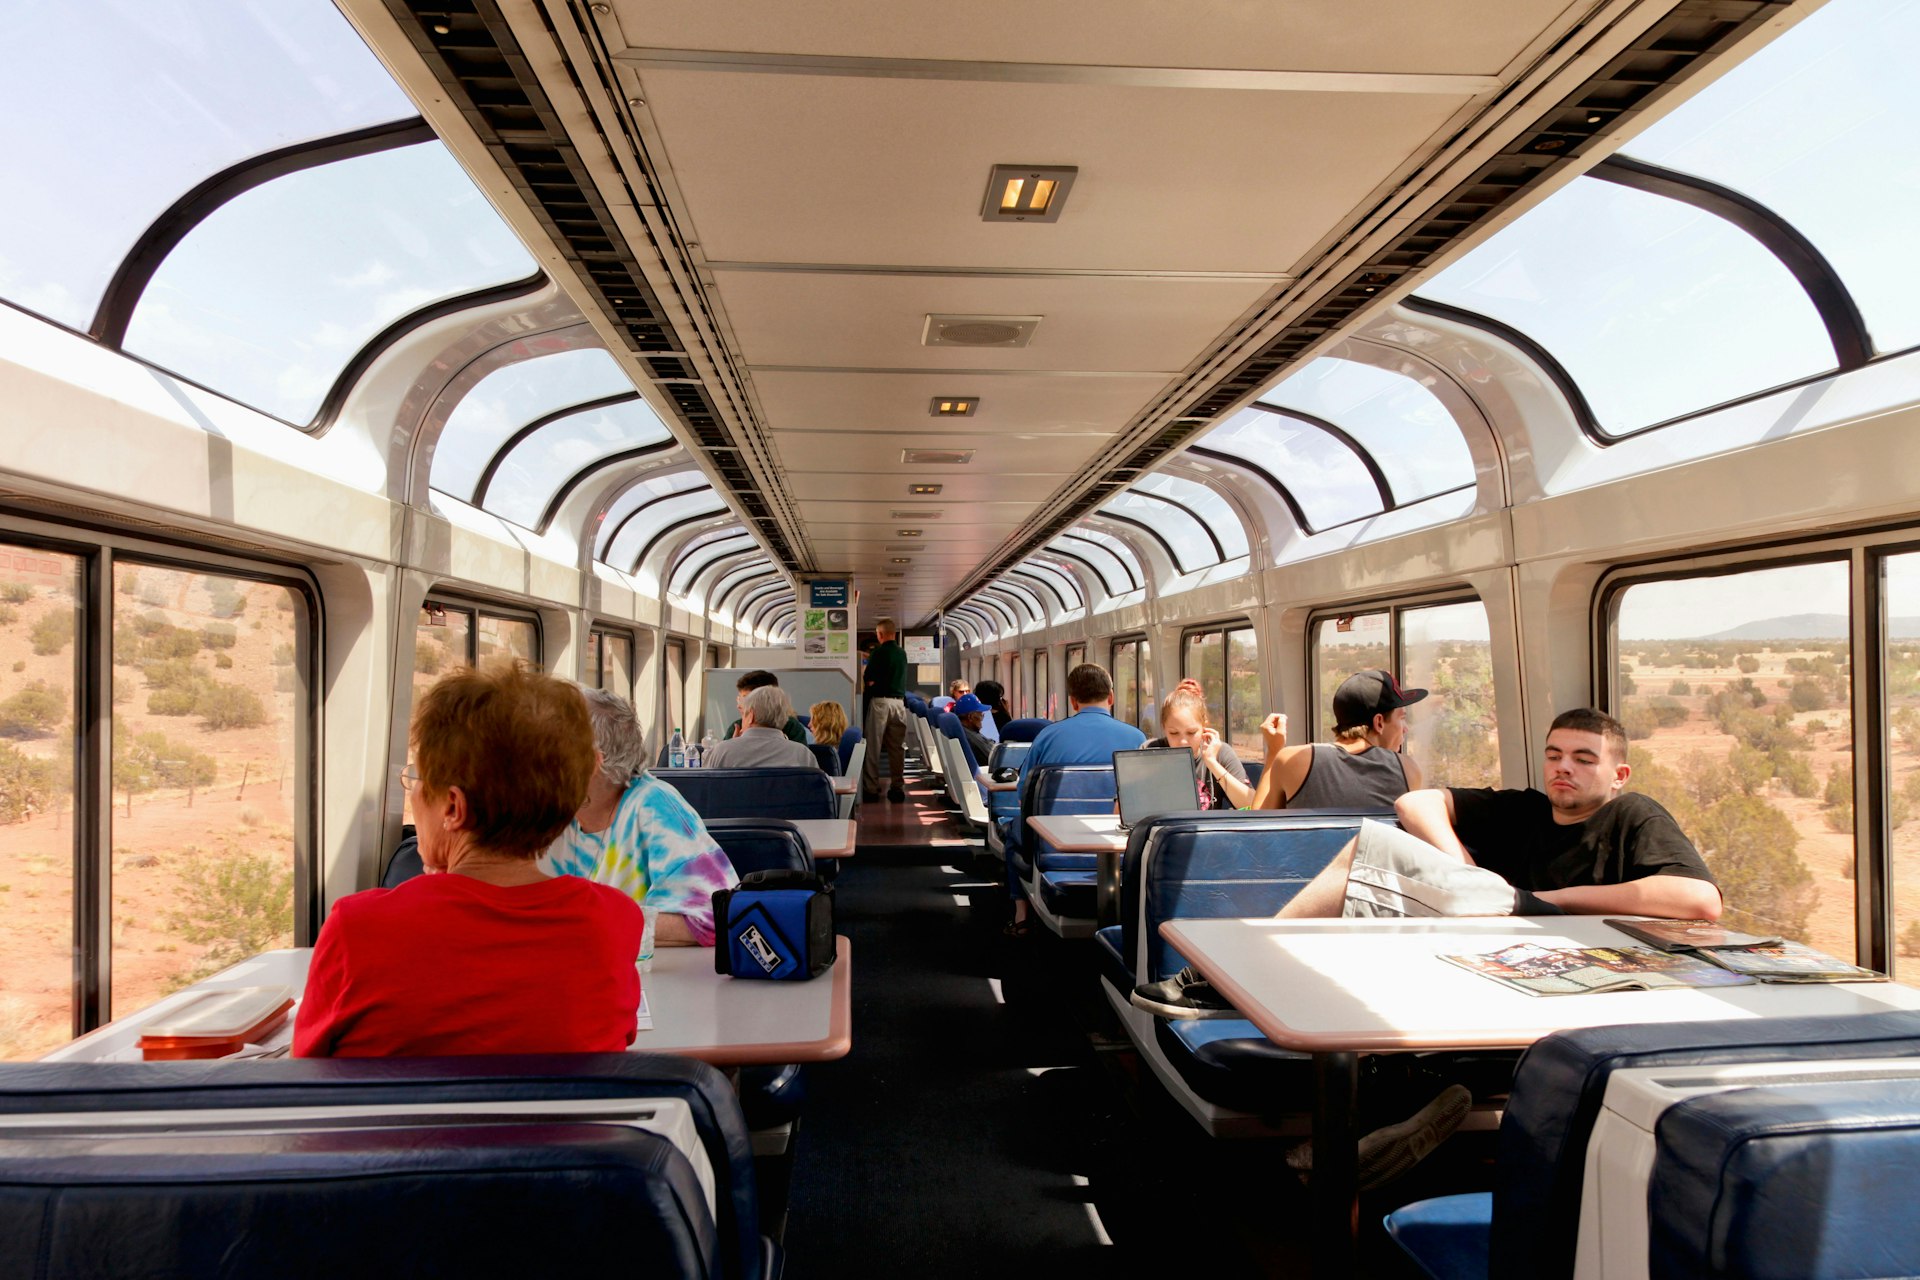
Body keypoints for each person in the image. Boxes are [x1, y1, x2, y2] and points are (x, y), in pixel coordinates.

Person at [1137, 707, 1723, 1188]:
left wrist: (1549, 900)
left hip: (1567, 963)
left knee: (1371, 852)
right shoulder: (1523, 809)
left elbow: (1699, 900)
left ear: (1618, 776)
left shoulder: (1634, 818)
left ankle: (1232, 975)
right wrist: (1463, 866)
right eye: (1554, 755)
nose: (1562, 769)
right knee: (1385, 859)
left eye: (1582, 759)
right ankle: (1399, 1096)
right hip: (1499, 961)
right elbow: (1415, 805)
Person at [294, 661, 641, 1057]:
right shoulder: (614, 922)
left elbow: (305, 1076)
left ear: (454, 807)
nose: (412, 793)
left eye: (417, 779)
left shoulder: (357, 930)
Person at [541, 687, 739, 946]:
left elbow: (719, 918)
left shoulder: (654, 808)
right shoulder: (544, 813)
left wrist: (588, 923)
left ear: (589, 763)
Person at [1006, 663, 1147, 934]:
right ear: (1111, 697)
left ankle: (1021, 914)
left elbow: (1024, 793)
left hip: (1054, 850)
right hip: (1123, 850)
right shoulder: (1137, 738)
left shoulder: (1048, 736)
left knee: (1013, 830)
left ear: (1073, 701)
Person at [1253, 668, 1426, 809]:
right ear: (1379, 722)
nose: (1405, 728)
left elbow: (1257, 828)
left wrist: (1274, 751)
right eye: (1402, 718)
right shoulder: (1408, 771)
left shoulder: (1294, 760)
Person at [1147, 678, 1252, 809]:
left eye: (1191, 733)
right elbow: (1122, 810)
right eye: (1174, 733)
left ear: (1204, 727)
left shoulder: (1220, 753)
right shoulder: (1150, 752)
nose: (1183, 742)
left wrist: (1212, 763)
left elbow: (1251, 804)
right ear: (1163, 727)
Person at [704, 684, 822, 769]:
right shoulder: (803, 755)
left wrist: (731, 746)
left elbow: (703, 791)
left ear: (751, 716)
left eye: (744, 714)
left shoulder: (721, 752)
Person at [862, 616, 909, 802]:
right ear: (894, 634)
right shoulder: (902, 653)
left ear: (880, 634)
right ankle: (897, 788)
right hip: (899, 704)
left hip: (880, 703)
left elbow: (869, 678)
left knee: (873, 746)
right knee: (896, 748)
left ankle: (871, 789)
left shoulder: (878, 653)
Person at [724, 669, 808, 743]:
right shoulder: (736, 728)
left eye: (747, 700)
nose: (739, 706)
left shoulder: (791, 727)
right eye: (740, 699)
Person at [951, 692, 996, 766]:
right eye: (981, 714)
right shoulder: (973, 737)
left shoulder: (962, 731)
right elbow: (996, 758)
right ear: (970, 717)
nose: (982, 719)